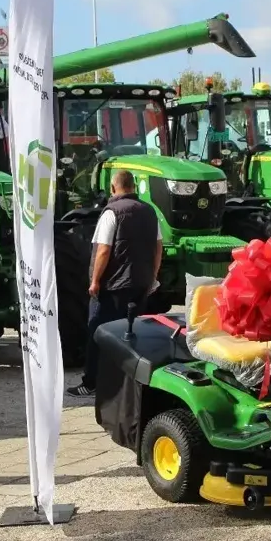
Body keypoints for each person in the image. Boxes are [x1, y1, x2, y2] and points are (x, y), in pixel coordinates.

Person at [67, 171, 163, 398]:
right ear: (133, 186)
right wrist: (152, 277)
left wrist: (95, 281)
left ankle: (91, 382)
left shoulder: (112, 213)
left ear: (113, 188)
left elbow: (103, 250)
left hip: (113, 286)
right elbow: (158, 248)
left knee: (98, 332)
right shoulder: (149, 212)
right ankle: (127, 383)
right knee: (131, 335)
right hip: (140, 283)